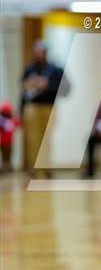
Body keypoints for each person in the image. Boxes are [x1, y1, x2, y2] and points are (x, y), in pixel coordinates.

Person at [21, 40, 70, 177]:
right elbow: (23, 90)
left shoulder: (55, 70)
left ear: (46, 53)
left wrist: (47, 85)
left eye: (41, 52)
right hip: (32, 107)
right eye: (36, 52)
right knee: (33, 139)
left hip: (49, 107)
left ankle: (46, 167)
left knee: (47, 139)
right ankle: (34, 169)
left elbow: (66, 89)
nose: (38, 54)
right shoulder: (29, 69)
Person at [0, 102, 20, 173]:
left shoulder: (11, 121)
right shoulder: (2, 121)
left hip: (9, 143)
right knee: (5, 156)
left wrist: (15, 117)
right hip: (3, 143)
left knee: (8, 156)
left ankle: (8, 167)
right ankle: (5, 167)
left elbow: (18, 124)